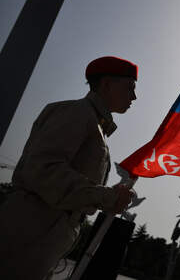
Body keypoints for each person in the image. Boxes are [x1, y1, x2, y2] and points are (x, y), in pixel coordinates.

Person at [0, 56, 138, 279]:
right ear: (106, 84)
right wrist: (109, 197)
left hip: (48, 229)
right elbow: (43, 170)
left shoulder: (94, 124)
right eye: (129, 87)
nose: (134, 96)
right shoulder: (77, 113)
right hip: (33, 226)